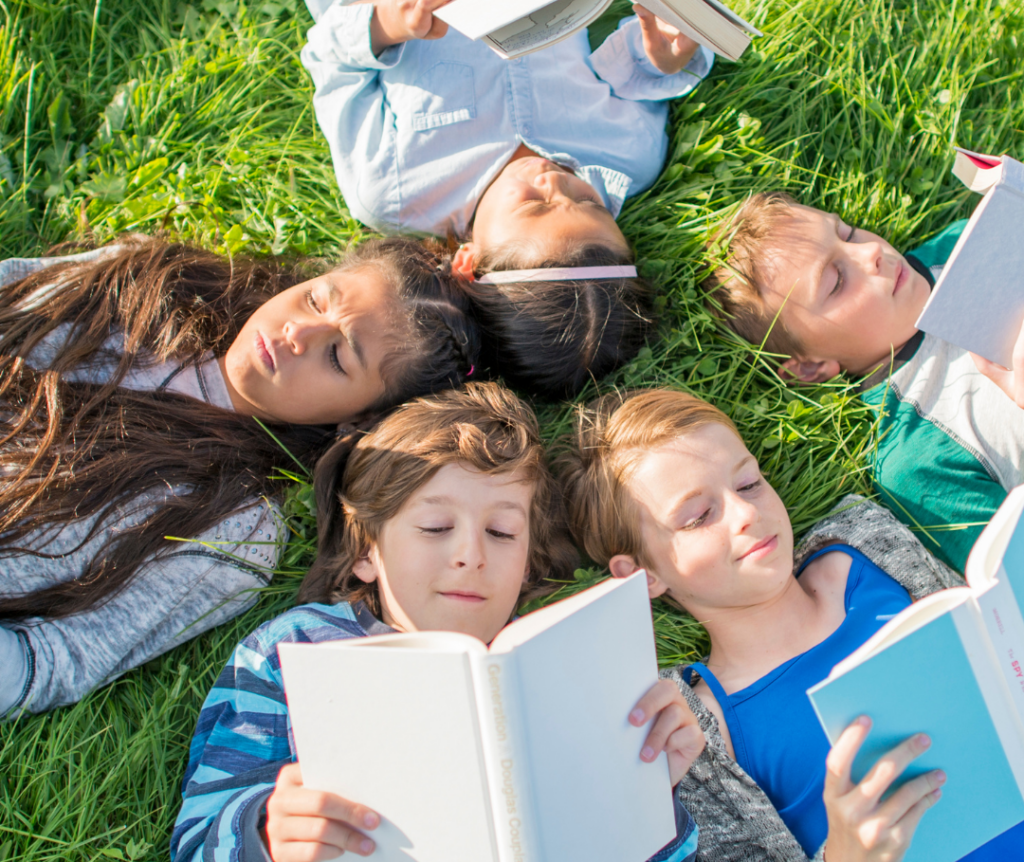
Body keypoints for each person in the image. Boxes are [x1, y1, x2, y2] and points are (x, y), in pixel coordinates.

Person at [172, 382, 706, 862]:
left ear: (526, 565)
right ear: (365, 551)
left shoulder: (558, 663)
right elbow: (198, 839)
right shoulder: (294, 648)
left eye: (501, 533)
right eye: (434, 526)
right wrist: (266, 837)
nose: (471, 555)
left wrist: (651, 796)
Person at [299, 0, 717, 394]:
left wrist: (382, 24)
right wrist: (665, 55)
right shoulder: (625, 158)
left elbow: (330, 63)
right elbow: (640, 69)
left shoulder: (393, 190)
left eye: (537, 206)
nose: (556, 182)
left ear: (468, 262)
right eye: (589, 201)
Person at [0, 234, 479, 718]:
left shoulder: (234, 531)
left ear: (356, 421)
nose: (299, 332)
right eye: (316, 298)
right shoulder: (159, 278)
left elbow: (51, 661)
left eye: (336, 356)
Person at [560, 386, 1024, 862]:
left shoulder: (867, 544)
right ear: (643, 575)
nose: (746, 514)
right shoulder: (697, 734)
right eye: (699, 517)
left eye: (748, 484)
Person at [701, 191, 1024, 572]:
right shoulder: (914, 460)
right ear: (810, 367)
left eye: (847, 232)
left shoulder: (964, 247)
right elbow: (1013, 578)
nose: (870, 252)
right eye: (836, 281)